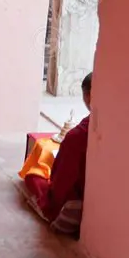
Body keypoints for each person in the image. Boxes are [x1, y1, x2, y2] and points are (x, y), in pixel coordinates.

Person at [20, 73, 92, 237]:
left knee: (33, 177)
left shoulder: (77, 136)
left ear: (88, 96)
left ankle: (67, 212)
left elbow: (61, 181)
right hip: (95, 192)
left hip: (75, 198)